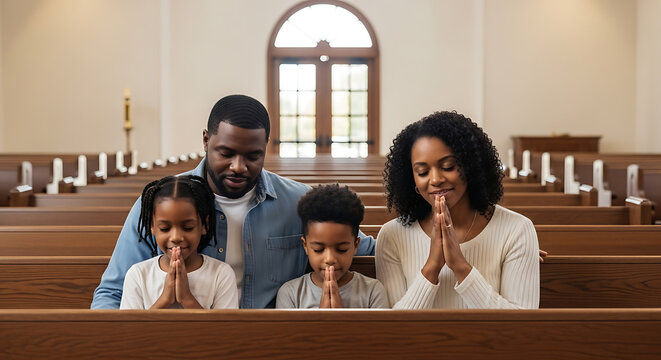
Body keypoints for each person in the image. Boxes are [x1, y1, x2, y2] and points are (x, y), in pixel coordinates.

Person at [92, 94, 376, 309]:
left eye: (252, 156)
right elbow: (112, 293)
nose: (238, 166)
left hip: (271, 344)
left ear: (265, 146)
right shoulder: (160, 203)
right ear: (206, 141)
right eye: (226, 153)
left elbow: (360, 246)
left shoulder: (299, 203)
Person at [375, 111, 539, 309]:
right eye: (422, 172)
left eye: (448, 166)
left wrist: (461, 267)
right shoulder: (392, 235)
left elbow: (523, 326)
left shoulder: (516, 229)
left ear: (471, 167)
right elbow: (393, 330)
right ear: (413, 181)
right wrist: (431, 268)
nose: (435, 180)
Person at [120, 175, 238, 309]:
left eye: (188, 228)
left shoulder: (221, 274)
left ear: (204, 225)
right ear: (152, 226)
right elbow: (131, 329)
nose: (176, 237)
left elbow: (223, 330)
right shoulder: (138, 275)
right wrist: (165, 299)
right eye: (165, 228)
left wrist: (186, 298)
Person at [276, 184, 389, 309]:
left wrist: (339, 315)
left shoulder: (373, 291)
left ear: (356, 245)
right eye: (318, 250)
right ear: (305, 246)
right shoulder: (290, 293)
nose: (329, 259)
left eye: (342, 249)